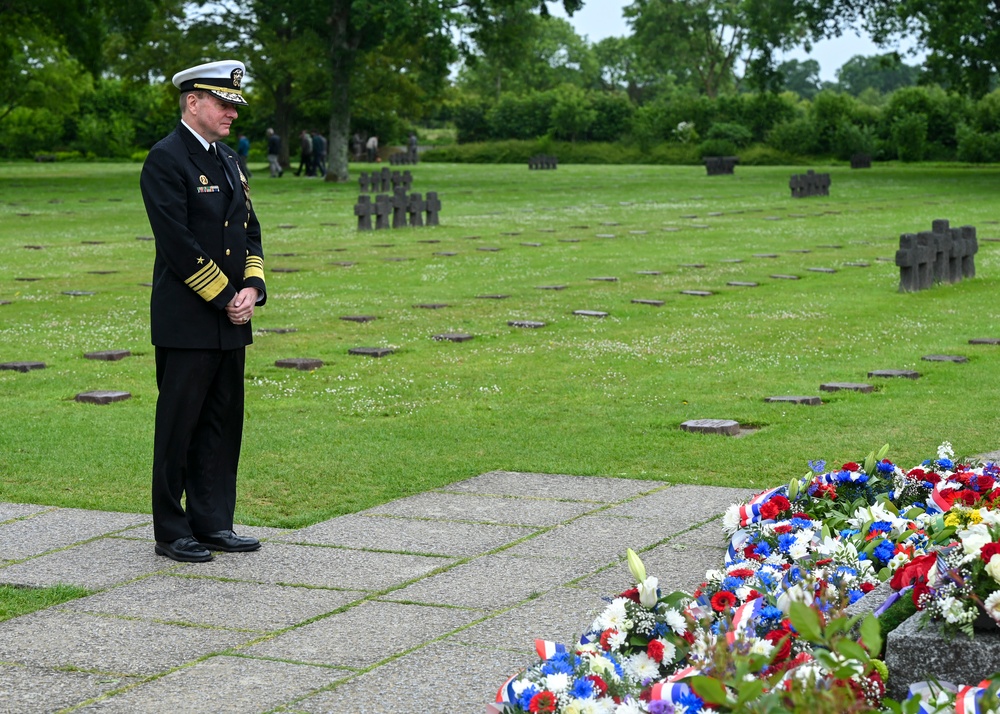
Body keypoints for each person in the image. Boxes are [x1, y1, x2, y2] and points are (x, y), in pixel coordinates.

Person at [139, 59, 266, 563]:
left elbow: (249, 231)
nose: (233, 112)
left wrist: (252, 289)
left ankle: (213, 523)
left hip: (231, 318)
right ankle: (172, 530)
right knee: (179, 427)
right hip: (189, 318)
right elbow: (178, 243)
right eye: (224, 102)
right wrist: (223, 296)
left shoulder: (231, 161)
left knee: (220, 422)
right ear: (194, 102)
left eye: (235, 104)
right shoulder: (165, 160)